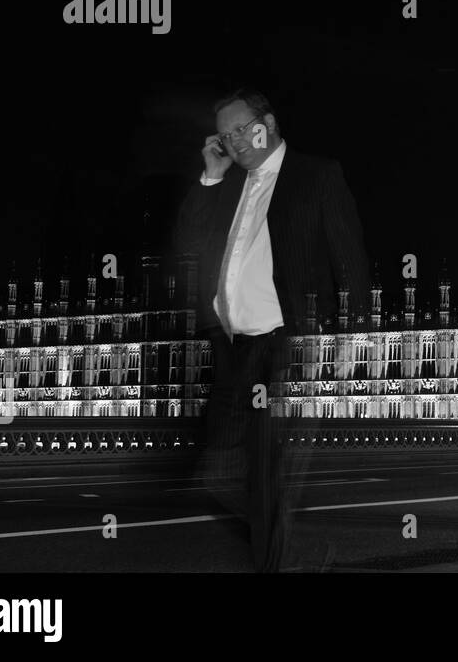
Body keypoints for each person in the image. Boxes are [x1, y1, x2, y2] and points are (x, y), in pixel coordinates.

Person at [174, 88, 369, 571]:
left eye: (241, 128)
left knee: (258, 472)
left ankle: (278, 559)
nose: (234, 140)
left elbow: (351, 260)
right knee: (211, 473)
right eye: (225, 135)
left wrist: (350, 340)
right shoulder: (229, 185)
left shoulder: (316, 175)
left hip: (278, 341)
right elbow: (188, 241)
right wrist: (210, 177)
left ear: (269, 122)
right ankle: (294, 554)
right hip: (230, 345)